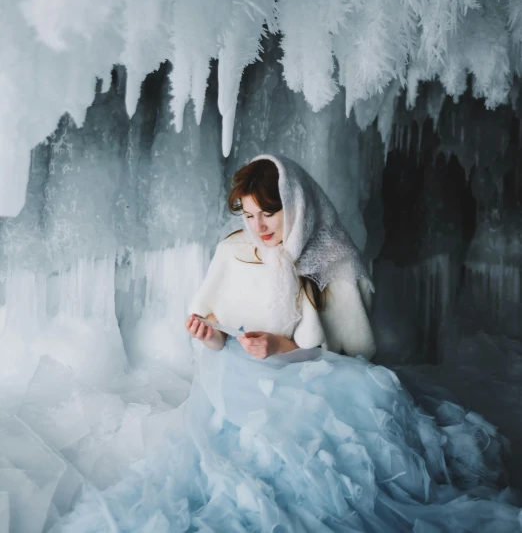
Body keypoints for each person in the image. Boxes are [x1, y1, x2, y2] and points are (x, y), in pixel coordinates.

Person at [57, 154, 521, 532]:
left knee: (339, 466)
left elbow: (349, 355)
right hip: (241, 383)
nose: (258, 226)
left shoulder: (332, 259)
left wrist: (281, 348)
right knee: (234, 474)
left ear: (295, 206)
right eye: (249, 214)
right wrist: (213, 335)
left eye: (270, 212)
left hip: (317, 384)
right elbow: (219, 328)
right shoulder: (233, 252)